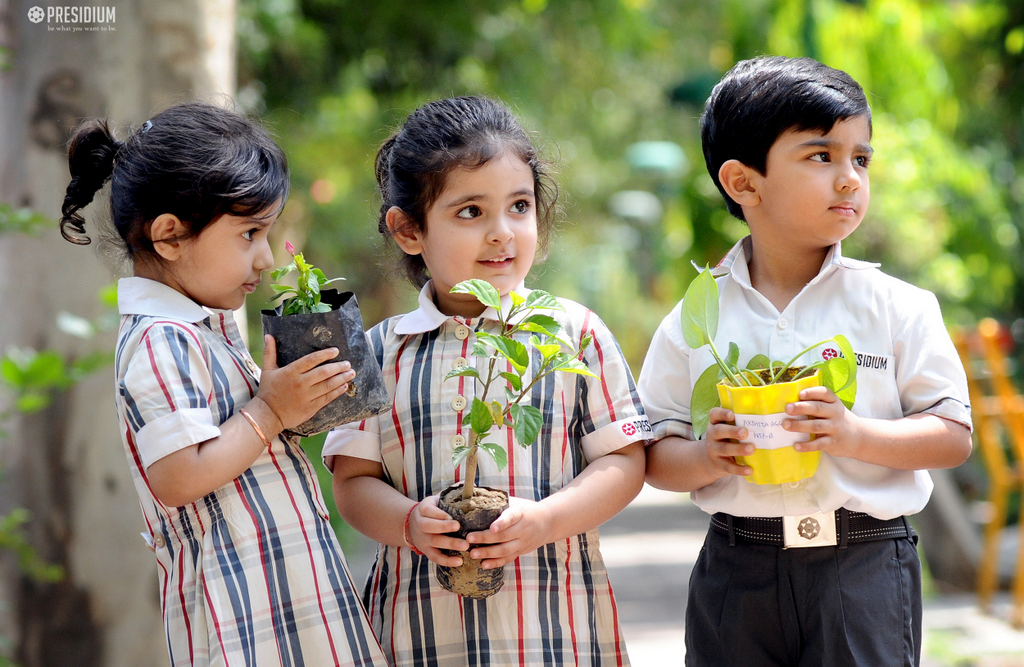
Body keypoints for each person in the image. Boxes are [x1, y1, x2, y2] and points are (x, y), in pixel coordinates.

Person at [638, 56, 973, 667]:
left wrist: (852, 433)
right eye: (822, 156)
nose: (849, 178)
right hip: (737, 566)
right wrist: (705, 456)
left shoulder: (897, 307)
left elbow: (951, 437)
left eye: (861, 159)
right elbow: (654, 456)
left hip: (865, 562)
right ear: (744, 183)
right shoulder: (696, 320)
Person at [325, 95, 650, 666]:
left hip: (556, 628)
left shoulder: (573, 334)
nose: (503, 233)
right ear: (408, 230)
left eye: (519, 206)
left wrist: (546, 520)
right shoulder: (379, 351)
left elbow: (624, 462)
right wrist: (407, 523)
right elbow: (353, 483)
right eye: (471, 212)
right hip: (421, 632)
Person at [60, 102, 388, 667]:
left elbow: (241, 447)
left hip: (283, 589)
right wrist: (269, 412)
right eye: (249, 233)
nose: (264, 257)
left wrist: (292, 406)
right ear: (169, 236)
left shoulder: (204, 329)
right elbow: (180, 476)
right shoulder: (159, 340)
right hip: (237, 615)